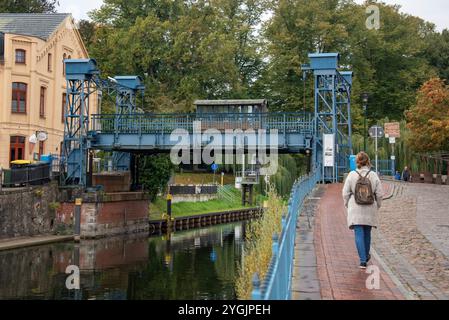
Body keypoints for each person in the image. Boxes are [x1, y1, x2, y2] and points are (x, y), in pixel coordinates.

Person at [342, 152, 383, 269]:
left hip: (355, 209)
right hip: (370, 208)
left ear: (357, 162)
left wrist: (347, 204)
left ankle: (363, 260)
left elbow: (345, 193)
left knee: (358, 233)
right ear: (368, 161)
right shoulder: (373, 175)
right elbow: (379, 194)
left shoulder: (351, 175)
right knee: (367, 233)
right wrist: (377, 205)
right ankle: (366, 255)